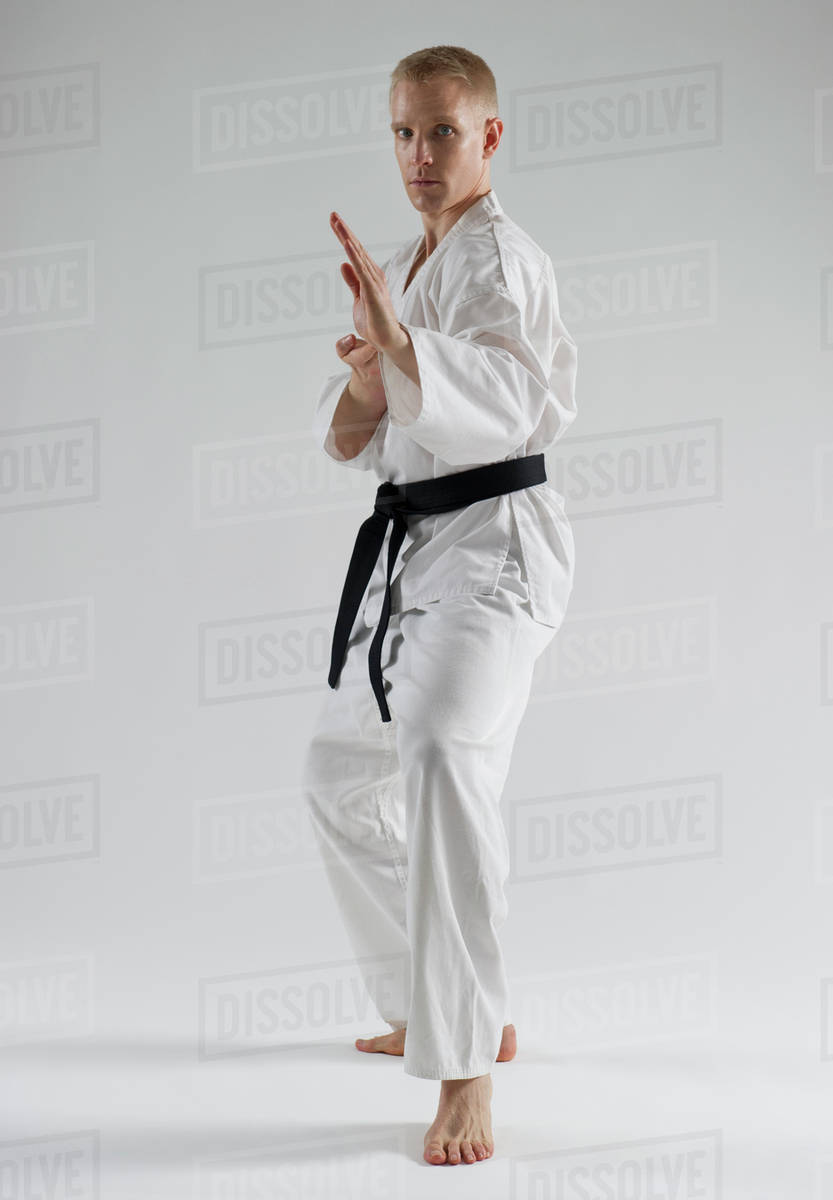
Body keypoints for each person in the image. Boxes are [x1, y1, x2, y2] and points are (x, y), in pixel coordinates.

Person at [301, 45, 578, 1167]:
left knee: (438, 758)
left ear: (489, 137)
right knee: (339, 774)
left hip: (494, 550)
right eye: (404, 134)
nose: (420, 155)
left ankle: (465, 1070)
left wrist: (404, 347)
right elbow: (352, 437)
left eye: (443, 132)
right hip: (419, 551)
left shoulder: (498, 262)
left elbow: (510, 402)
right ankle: (431, 1002)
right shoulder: (409, 263)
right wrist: (373, 372)